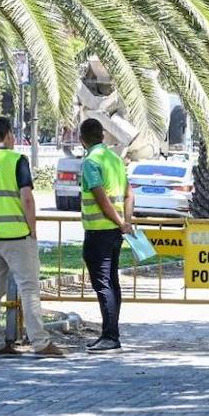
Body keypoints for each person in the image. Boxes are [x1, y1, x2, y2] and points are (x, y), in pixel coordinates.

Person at [0, 116, 64, 358]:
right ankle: (40, 343)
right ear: (8, 135)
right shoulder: (17, 160)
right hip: (18, 236)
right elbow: (26, 197)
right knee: (29, 289)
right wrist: (33, 229)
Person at [78, 118, 134, 352]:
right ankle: (111, 333)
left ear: (82, 140)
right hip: (115, 232)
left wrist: (120, 221)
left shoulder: (91, 162)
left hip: (99, 231)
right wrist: (126, 223)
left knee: (103, 284)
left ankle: (110, 336)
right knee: (112, 282)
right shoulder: (115, 159)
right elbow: (130, 194)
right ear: (103, 136)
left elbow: (101, 198)